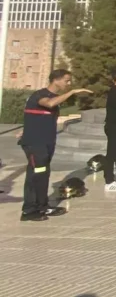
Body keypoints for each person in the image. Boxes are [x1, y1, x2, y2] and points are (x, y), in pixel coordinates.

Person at [19, 70, 92, 221]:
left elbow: (37, 117)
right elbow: (49, 103)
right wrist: (72, 92)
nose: (69, 83)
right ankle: (29, 210)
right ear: (56, 80)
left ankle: (43, 206)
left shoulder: (53, 97)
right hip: (35, 144)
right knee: (35, 175)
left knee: (43, 175)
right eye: (67, 80)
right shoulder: (40, 95)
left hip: (46, 143)